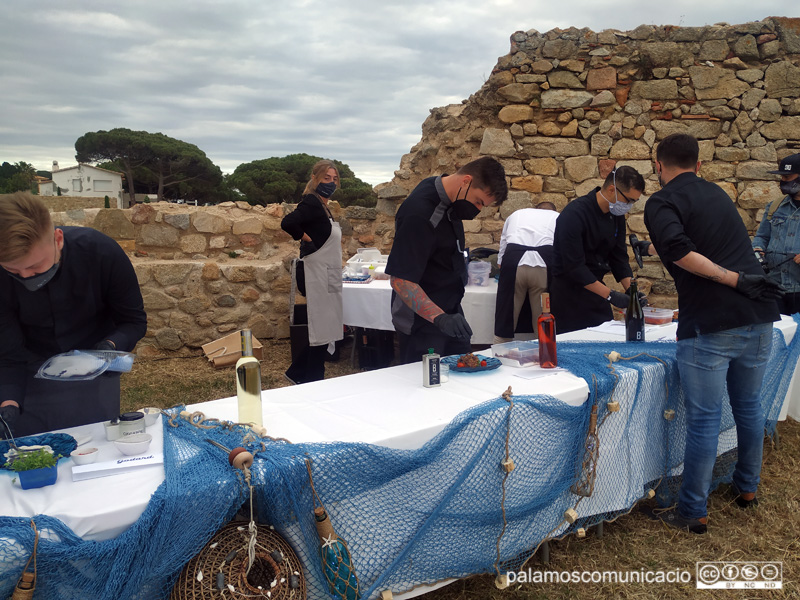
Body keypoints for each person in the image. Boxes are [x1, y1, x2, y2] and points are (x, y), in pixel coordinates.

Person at [637, 133, 783, 534]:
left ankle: (692, 511)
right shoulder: (716, 194)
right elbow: (696, 243)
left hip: (713, 322)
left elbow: (682, 251)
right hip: (757, 316)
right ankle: (747, 488)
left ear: (658, 167)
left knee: (704, 419)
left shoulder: (662, 200)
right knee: (749, 406)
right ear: (699, 165)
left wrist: (733, 280)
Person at [0, 192, 147, 437]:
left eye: (35, 266)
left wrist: (107, 348)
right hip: (29, 376)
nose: (26, 278)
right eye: (13, 270)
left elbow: (133, 322)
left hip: (95, 371)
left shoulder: (101, 252)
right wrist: (8, 404)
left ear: (58, 239)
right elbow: (7, 352)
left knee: (96, 447)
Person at [385, 157, 508, 364]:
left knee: (464, 377)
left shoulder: (449, 199)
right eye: (478, 201)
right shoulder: (419, 213)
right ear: (466, 181)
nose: (477, 210)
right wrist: (439, 318)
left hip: (450, 313)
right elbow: (401, 280)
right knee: (426, 387)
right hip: (422, 322)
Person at [550, 166, 646, 334]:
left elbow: (619, 258)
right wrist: (611, 295)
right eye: (629, 200)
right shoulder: (574, 215)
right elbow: (574, 267)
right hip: (568, 296)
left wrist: (631, 290)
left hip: (597, 294)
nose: (629, 206)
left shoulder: (616, 216)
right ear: (611, 190)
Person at [280, 160, 343, 384]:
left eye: (334, 179)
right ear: (315, 178)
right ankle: (313, 378)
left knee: (330, 326)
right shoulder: (311, 202)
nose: (331, 183)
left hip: (330, 273)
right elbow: (288, 223)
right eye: (327, 178)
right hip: (317, 273)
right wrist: (307, 238)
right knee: (322, 327)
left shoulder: (324, 205)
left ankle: (297, 373)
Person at [494, 202, 559, 343]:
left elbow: (503, 243)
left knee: (507, 311)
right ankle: (545, 353)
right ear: (553, 210)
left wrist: (502, 263)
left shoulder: (517, 214)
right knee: (543, 314)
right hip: (543, 266)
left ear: (536, 209)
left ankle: (500, 352)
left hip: (513, 262)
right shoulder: (557, 216)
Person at [752, 153, 800, 315]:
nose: (783, 182)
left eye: (788, 177)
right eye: (782, 177)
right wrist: (757, 249)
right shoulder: (774, 207)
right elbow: (762, 236)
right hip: (774, 287)